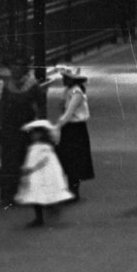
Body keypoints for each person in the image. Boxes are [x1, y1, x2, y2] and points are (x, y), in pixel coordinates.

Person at [0, 62, 48, 207]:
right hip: (10, 128)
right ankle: (10, 194)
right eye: (13, 67)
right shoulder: (8, 86)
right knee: (10, 161)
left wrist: (39, 126)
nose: (14, 69)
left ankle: (28, 192)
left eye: (18, 67)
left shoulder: (32, 85)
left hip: (27, 127)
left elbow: (41, 106)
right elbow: (2, 107)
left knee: (26, 159)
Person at [16, 119, 73, 226]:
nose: (32, 135)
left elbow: (35, 161)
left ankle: (39, 218)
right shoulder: (48, 147)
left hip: (38, 175)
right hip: (48, 174)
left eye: (35, 133)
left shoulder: (37, 147)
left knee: (36, 195)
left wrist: (27, 169)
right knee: (43, 194)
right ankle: (49, 210)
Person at [53, 67, 94, 199]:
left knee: (74, 159)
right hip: (70, 128)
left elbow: (69, 113)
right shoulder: (67, 91)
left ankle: (74, 190)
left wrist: (57, 126)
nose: (63, 80)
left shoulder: (76, 93)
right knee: (69, 158)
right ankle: (71, 188)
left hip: (75, 128)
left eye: (66, 78)